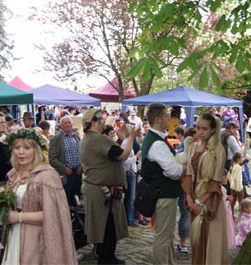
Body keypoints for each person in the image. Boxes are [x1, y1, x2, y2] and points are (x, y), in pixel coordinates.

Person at [2, 128, 77, 264]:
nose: (21, 152)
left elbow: (54, 214)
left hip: (37, 240)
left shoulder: (47, 175)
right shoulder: (14, 174)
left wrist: (17, 217)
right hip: (14, 236)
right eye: (17, 147)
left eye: (26, 147)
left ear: (36, 150)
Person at [80, 108, 140, 265]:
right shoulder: (98, 139)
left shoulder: (88, 138)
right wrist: (131, 137)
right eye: (100, 122)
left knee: (107, 227)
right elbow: (123, 155)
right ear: (94, 123)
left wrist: (120, 140)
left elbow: (110, 154)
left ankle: (107, 256)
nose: (102, 124)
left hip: (99, 190)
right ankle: (106, 259)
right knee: (106, 228)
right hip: (102, 192)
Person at [141, 103, 186, 265]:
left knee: (167, 236)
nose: (169, 119)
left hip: (164, 194)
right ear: (158, 119)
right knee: (163, 237)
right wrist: (185, 168)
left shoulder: (155, 139)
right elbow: (173, 171)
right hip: (163, 195)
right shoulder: (157, 143)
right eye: (166, 116)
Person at [182, 113, 229, 265]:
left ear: (212, 130)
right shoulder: (192, 147)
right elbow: (188, 175)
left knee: (210, 241)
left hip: (209, 200)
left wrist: (201, 201)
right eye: (198, 128)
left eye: (204, 128)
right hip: (193, 198)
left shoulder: (218, 150)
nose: (200, 132)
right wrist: (189, 197)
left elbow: (216, 181)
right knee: (196, 242)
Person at [49, 116, 82, 205]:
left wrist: (81, 166)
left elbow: (82, 153)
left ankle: (76, 217)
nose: (68, 125)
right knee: (66, 200)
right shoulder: (56, 139)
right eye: (65, 123)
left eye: (69, 122)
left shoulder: (76, 137)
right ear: (60, 126)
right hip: (66, 175)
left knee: (76, 199)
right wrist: (64, 169)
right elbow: (52, 158)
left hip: (78, 173)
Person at [221, 169, 236, 249]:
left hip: (227, 211)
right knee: (227, 227)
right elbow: (221, 203)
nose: (226, 179)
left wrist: (227, 198)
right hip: (224, 211)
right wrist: (228, 200)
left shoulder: (223, 188)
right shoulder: (221, 189)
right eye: (225, 177)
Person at [228, 152, 244, 220]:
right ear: (238, 159)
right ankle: (241, 216)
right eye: (241, 157)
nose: (242, 159)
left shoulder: (232, 166)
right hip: (238, 188)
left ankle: (231, 215)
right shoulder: (239, 167)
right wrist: (239, 188)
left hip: (232, 187)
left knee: (233, 201)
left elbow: (229, 176)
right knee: (241, 202)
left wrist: (232, 183)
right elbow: (238, 179)